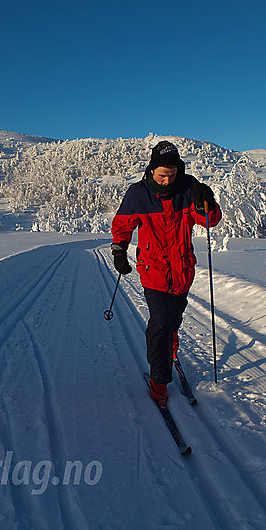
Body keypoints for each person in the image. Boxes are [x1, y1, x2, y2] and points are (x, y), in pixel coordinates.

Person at [111, 140, 221, 405]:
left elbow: (209, 221)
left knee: (172, 319)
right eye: (162, 175)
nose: (166, 180)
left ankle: (171, 340)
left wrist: (206, 202)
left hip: (182, 271)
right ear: (151, 170)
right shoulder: (138, 194)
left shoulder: (188, 188)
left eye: (171, 174)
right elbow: (123, 223)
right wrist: (118, 250)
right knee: (160, 323)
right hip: (153, 270)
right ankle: (159, 380)